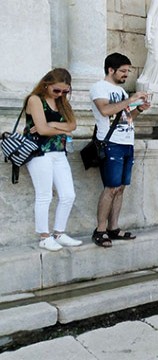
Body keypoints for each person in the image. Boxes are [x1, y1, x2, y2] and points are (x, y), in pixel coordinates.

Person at [90, 53, 151, 248]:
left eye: (128, 71)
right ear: (111, 69)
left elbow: (126, 117)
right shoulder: (99, 87)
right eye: (123, 71)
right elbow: (105, 111)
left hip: (127, 142)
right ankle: (100, 230)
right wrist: (131, 99)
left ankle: (113, 227)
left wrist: (139, 109)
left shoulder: (122, 93)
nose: (126, 75)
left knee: (121, 188)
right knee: (111, 188)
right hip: (111, 143)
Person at [23, 68, 82, 251]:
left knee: (68, 195)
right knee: (44, 195)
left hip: (58, 152)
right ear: (46, 84)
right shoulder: (35, 100)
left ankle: (59, 233)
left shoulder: (62, 102)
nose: (60, 94)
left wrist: (54, 124)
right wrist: (65, 131)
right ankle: (44, 236)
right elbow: (42, 130)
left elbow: (73, 124)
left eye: (65, 91)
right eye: (57, 90)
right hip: (39, 153)